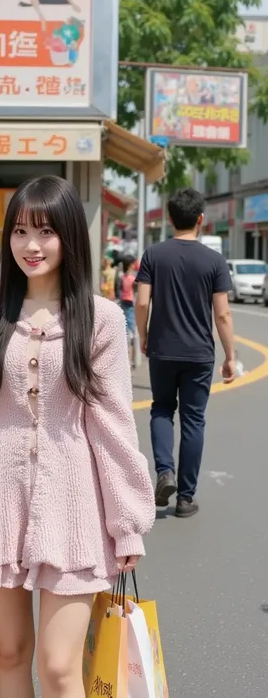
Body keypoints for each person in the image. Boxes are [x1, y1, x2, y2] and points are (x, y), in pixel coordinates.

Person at [0, 176, 155, 698]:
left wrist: (127, 521)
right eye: (20, 231)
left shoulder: (102, 319)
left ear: (69, 236)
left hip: (75, 511)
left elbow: (113, 426)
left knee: (60, 666)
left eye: (45, 231)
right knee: (10, 653)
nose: (31, 245)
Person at [135, 188, 235, 518]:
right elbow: (222, 314)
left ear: (169, 218)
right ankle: (185, 498)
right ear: (201, 220)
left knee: (162, 409)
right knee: (194, 421)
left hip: (163, 349)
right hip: (199, 355)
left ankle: (165, 472)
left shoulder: (154, 254)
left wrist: (143, 335)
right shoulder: (214, 261)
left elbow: (142, 302)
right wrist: (230, 356)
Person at [119, 257, 137, 367]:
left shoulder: (123, 277)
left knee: (126, 333)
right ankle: (131, 359)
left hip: (123, 303)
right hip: (130, 304)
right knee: (133, 334)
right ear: (130, 265)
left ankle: (127, 359)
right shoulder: (132, 279)